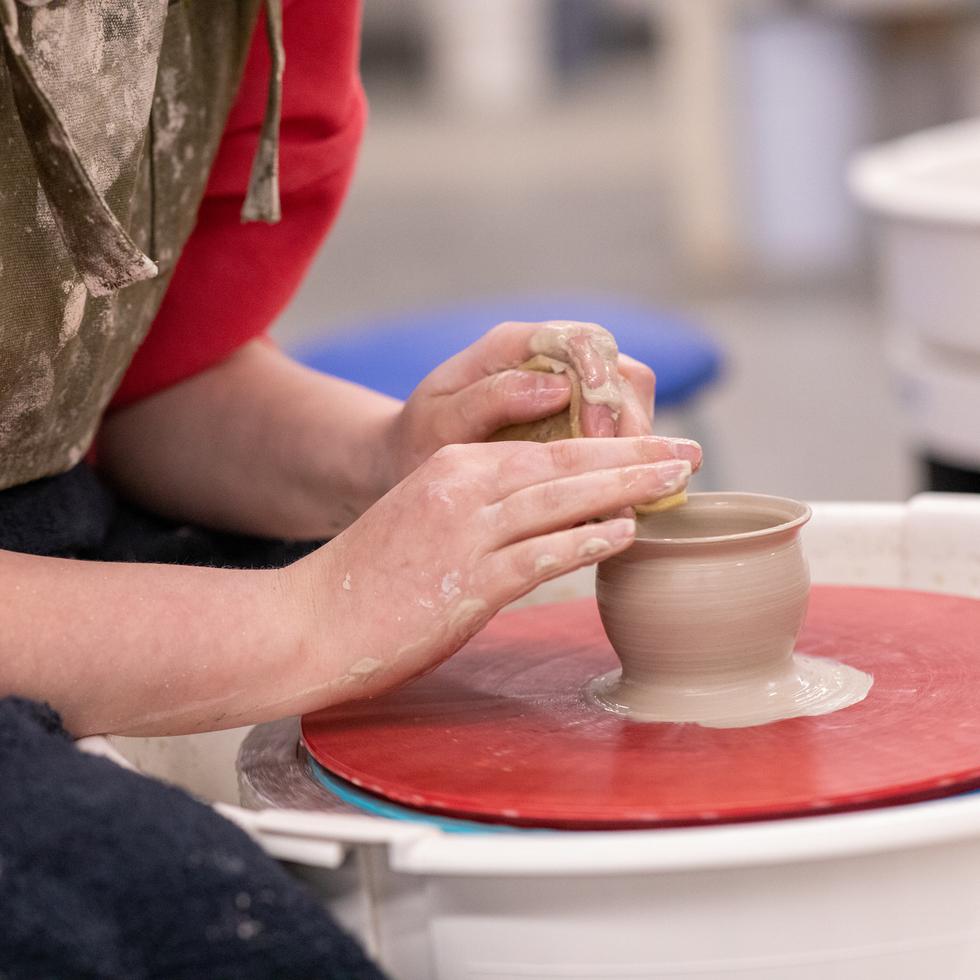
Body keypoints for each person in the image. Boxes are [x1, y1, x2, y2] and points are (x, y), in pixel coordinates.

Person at [0, 0, 699, 975]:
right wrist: (310, 615)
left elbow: (132, 390)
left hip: (53, 512)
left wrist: (390, 458)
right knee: (180, 922)